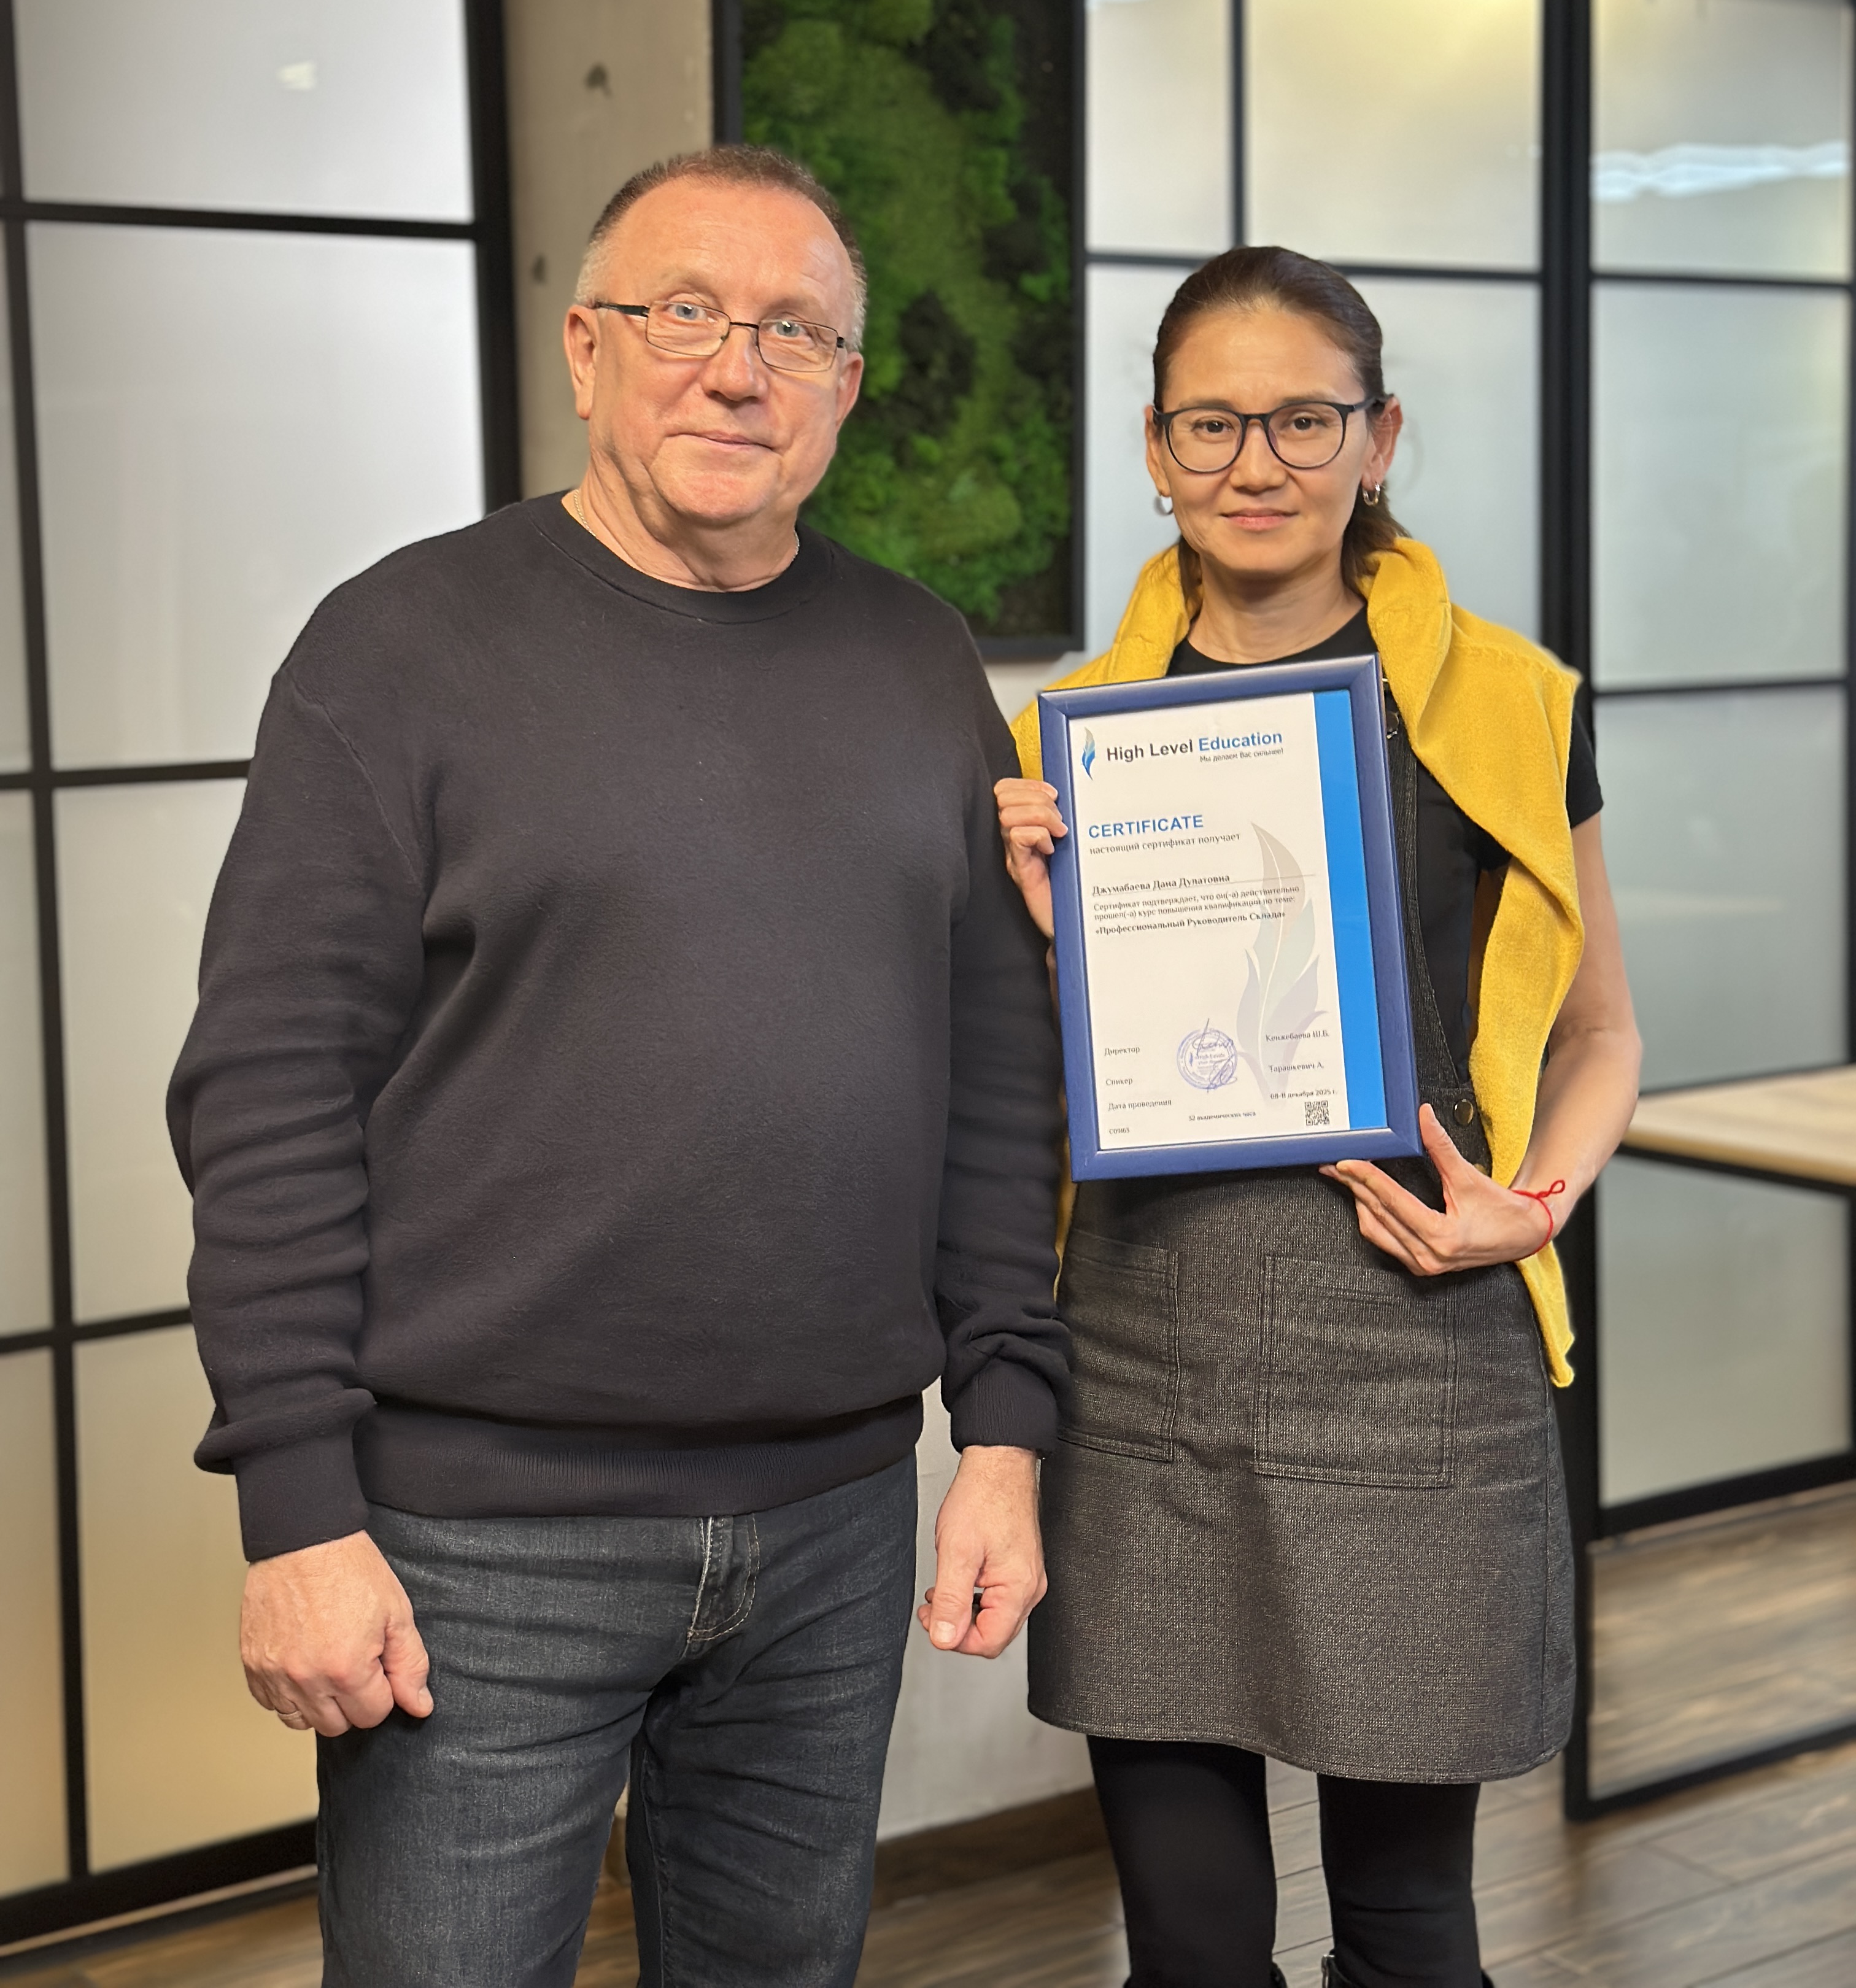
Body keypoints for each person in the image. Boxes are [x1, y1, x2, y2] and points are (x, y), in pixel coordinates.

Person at [171, 144, 1069, 1988]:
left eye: (794, 332)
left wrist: (1003, 1433)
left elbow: (997, 1087)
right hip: (471, 1540)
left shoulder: (921, 664)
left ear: (846, 388)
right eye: (684, 316)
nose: (738, 370)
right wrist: (298, 1510)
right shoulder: (397, 647)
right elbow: (267, 1094)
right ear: (586, 351)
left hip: (832, 1522)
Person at [995, 247, 1641, 1988]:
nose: (1257, 463)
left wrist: (1534, 1202)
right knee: (1189, 1945)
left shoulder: (1511, 705)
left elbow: (1602, 1030)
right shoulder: (1071, 738)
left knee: (1412, 1933)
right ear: (1155, 449)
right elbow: (1021, 1083)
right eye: (1212, 425)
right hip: (1143, 1355)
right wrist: (1038, 927)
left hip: (1420, 1340)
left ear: (1379, 438)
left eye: (1304, 420)